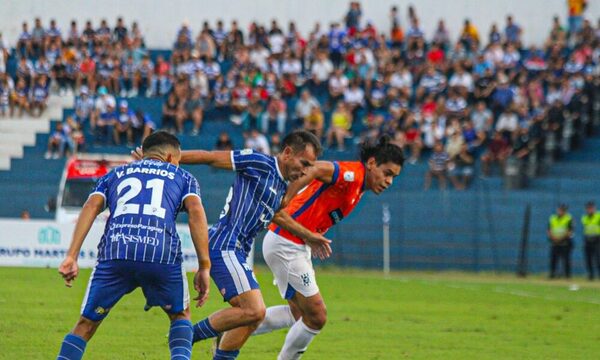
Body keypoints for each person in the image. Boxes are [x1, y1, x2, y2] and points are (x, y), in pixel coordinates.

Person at [134, 130, 326, 360]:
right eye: (304, 163)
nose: (305, 171)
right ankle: (185, 336)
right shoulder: (259, 162)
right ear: (287, 153)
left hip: (238, 252)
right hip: (225, 245)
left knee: (250, 318)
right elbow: (210, 156)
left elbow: (278, 215)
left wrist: (309, 236)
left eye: (310, 166)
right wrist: (163, 159)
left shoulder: (280, 185)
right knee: (254, 310)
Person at [56, 131, 211, 360]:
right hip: (161, 253)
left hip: (117, 251)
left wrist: (72, 255)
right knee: (180, 315)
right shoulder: (183, 177)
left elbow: (91, 206)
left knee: (86, 324)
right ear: (170, 158)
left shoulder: (115, 174)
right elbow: (196, 212)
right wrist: (204, 265)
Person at [251, 136, 404, 359]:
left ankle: (234, 328)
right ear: (371, 164)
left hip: (291, 243)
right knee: (316, 317)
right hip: (286, 242)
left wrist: (314, 235)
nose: (389, 181)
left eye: (394, 177)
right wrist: (285, 198)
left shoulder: (358, 187)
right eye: (387, 173)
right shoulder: (352, 175)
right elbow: (312, 169)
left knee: (298, 314)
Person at [547, 204, 574, 279]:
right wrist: (553, 238)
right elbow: (549, 230)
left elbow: (570, 231)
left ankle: (567, 275)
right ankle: (552, 274)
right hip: (554, 242)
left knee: (566, 259)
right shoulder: (553, 218)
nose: (561, 211)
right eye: (560, 210)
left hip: (565, 243)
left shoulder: (568, 218)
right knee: (553, 259)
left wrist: (561, 238)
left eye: (563, 210)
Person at [581, 201, 600, 280]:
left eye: (591, 208)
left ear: (594, 208)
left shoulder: (598, 216)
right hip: (588, 240)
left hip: (597, 240)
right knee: (588, 259)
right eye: (588, 209)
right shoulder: (584, 218)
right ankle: (590, 275)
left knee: (598, 258)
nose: (590, 210)